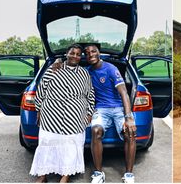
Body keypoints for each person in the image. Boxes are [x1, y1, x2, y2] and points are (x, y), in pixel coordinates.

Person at [30, 44, 95, 183]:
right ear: (66, 53)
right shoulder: (53, 69)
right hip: (51, 114)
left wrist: (89, 112)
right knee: (46, 143)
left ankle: (65, 175)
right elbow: (41, 90)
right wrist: (38, 110)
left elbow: (90, 94)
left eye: (78, 54)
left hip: (75, 116)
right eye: (72, 53)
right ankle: (42, 174)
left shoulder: (84, 73)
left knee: (71, 145)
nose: (75, 56)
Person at [85, 44, 136, 184]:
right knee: (95, 130)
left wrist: (128, 117)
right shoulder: (86, 71)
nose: (91, 54)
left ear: (99, 52)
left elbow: (124, 93)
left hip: (119, 108)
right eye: (87, 53)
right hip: (101, 109)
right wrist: (59, 63)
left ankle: (129, 175)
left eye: (93, 51)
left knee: (130, 133)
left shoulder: (111, 69)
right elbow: (70, 72)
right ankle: (98, 173)